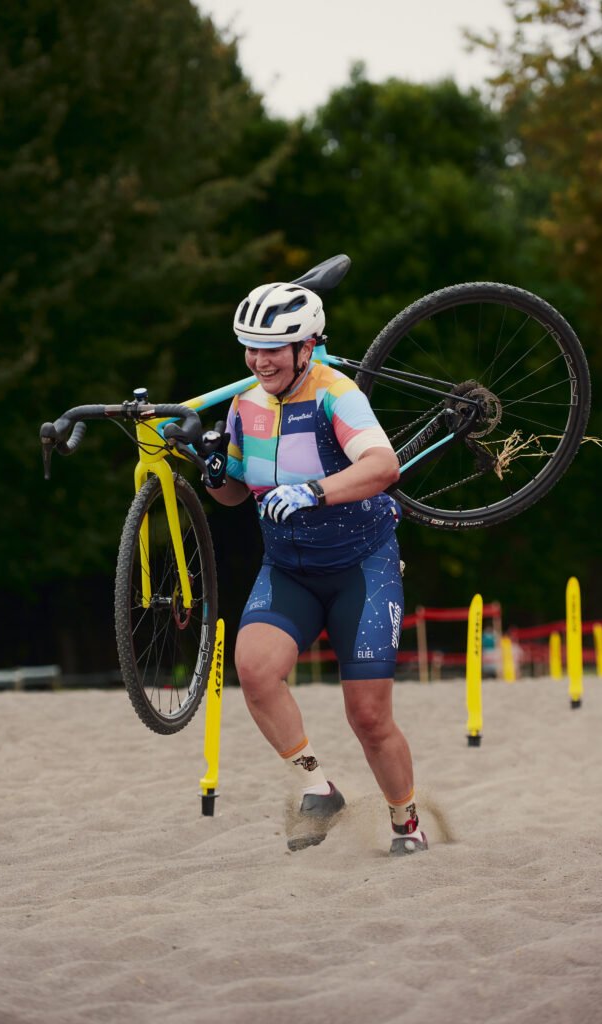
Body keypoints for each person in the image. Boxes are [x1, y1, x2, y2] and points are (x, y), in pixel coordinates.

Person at [204, 280, 427, 856]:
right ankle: (318, 788)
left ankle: (406, 822)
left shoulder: (337, 394)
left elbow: (383, 466)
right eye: (251, 348)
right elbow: (233, 495)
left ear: (306, 347)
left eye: (272, 349)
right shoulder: (245, 404)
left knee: (368, 717)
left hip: (361, 565)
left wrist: (314, 491)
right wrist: (213, 472)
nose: (260, 361)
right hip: (289, 569)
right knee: (254, 671)